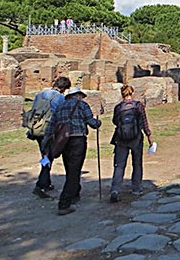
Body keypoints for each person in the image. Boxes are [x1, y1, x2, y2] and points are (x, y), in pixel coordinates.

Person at [41, 87, 101, 215]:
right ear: (78, 95)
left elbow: (51, 125)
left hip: (63, 141)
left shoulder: (60, 106)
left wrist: (45, 142)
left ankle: (75, 193)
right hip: (78, 140)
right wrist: (98, 122)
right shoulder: (82, 105)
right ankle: (64, 203)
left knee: (70, 168)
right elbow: (92, 122)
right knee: (74, 171)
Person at [109, 84, 153, 203]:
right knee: (137, 163)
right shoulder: (138, 106)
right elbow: (144, 122)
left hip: (121, 139)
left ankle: (115, 189)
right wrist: (149, 136)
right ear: (132, 93)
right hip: (136, 138)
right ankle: (136, 188)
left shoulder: (118, 107)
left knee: (119, 165)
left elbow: (114, 121)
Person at [31, 76, 71, 199]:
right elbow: (61, 115)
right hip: (49, 131)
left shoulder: (40, 94)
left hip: (37, 130)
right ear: (64, 88)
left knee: (45, 155)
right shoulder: (59, 98)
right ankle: (40, 185)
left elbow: (33, 110)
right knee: (48, 157)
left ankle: (46, 183)